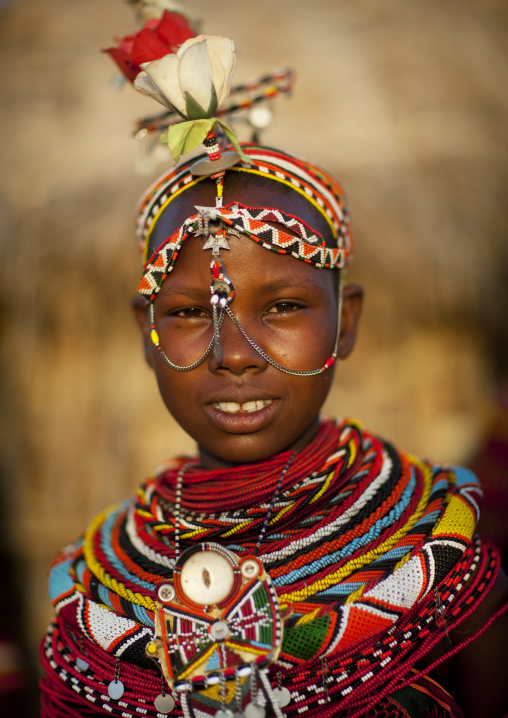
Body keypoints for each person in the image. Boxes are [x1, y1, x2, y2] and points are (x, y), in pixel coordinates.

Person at [40, 12, 508, 718]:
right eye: (192, 313)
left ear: (345, 322)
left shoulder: (444, 551)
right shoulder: (94, 589)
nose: (233, 354)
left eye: (284, 308)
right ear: (147, 332)